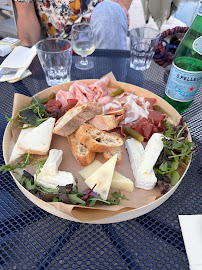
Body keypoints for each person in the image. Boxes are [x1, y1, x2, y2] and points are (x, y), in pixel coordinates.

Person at [14, 0, 132, 50]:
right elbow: (26, 15)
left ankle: (112, 86)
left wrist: (122, 5)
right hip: (62, 49)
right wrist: (26, 51)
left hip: (105, 37)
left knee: (110, 10)